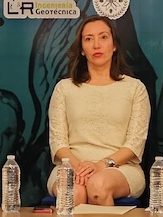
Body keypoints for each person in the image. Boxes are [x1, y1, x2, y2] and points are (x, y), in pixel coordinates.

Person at [47, 15, 150, 204]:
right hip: (71, 166)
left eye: (103, 37)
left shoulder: (135, 88)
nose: (96, 45)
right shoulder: (64, 88)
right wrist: (81, 168)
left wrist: (101, 165)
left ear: (114, 45)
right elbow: (58, 144)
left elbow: (134, 144)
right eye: (89, 39)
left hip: (120, 168)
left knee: (98, 186)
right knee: (73, 192)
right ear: (82, 49)